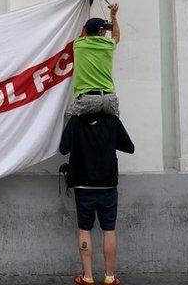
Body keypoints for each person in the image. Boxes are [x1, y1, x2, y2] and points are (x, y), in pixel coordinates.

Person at [59, 112, 135, 285]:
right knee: (109, 229)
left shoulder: (76, 120)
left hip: (83, 186)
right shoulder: (112, 120)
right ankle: (110, 277)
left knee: (84, 229)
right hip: (107, 185)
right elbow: (129, 147)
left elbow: (63, 148)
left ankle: (87, 277)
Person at [67, 3, 121, 117]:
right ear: (101, 32)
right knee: (114, 127)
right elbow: (116, 35)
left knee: (70, 121)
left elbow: (83, 32)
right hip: (109, 98)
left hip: (87, 99)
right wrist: (113, 16)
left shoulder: (79, 44)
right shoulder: (108, 44)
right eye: (105, 30)